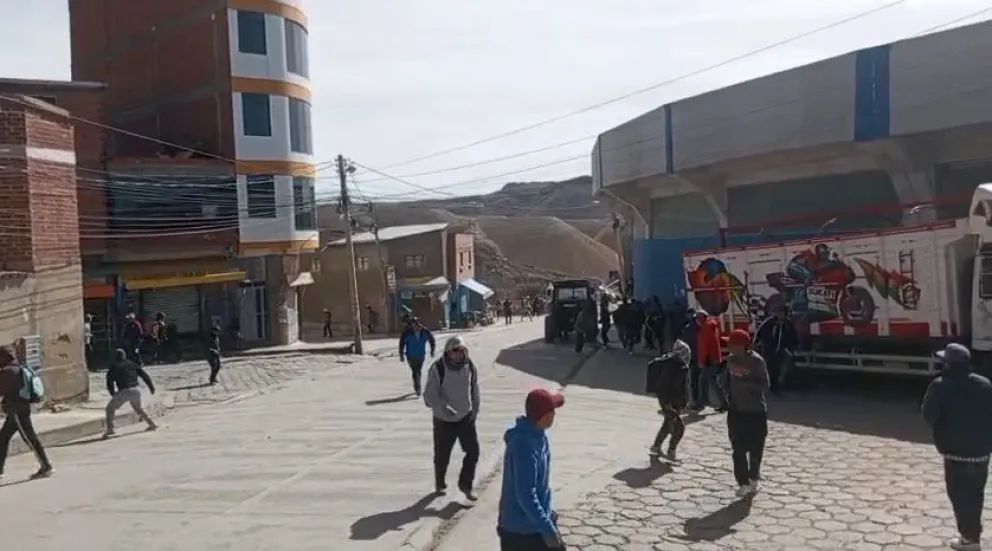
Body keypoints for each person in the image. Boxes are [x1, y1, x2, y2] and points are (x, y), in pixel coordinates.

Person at [921, 343, 992, 551]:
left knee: (960, 497)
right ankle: (973, 534)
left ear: (947, 363)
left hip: (955, 453)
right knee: (976, 495)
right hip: (981, 452)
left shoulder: (939, 385)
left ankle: (969, 540)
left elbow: (929, 415)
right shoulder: (985, 384)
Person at [497, 388, 566, 551]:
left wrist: (548, 510)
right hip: (521, 531)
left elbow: (541, 484)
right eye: (553, 412)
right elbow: (526, 494)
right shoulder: (523, 446)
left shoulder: (540, 436)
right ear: (545, 416)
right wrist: (546, 528)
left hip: (535, 522)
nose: (555, 415)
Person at [423, 335, 481, 500]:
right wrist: (443, 407)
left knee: (473, 452)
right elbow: (430, 395)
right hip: (444, 420)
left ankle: (466, 485)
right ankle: (440, 482)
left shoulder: (470, 366)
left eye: (461, 351)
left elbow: (474, 389)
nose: (458, 354)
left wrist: (475, 410)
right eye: (455, 351)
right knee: (442, 455)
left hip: (465, 417)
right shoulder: (438, 368)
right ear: (448, 352)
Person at [724, 329, 769, 497]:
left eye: (732, 344)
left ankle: (754, 478)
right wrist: (726, 395)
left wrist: (747, 386)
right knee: (738, 449)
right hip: (736, 412)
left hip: (755, 412)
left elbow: (765, 386)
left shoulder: (757, 362)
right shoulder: (730, 361)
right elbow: (727, 381)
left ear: (742, 346)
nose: (729, 347)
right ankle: (742, 482)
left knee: (756, 449)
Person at [0, 344, 52, 480]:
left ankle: (46, 466)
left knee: (29, 438)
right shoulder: (17, 367)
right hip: (18, 409)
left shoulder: (8, 372)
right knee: (3, 437)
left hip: (17, 410)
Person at [649, 338, 692, 461]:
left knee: (667, 425)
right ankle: (671, 451)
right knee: (679, 428)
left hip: (674, 402)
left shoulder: (679, 365)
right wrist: (667, 404)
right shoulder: (674, 367)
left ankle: (656, 446)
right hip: (670, 403)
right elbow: (666, 387)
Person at [103, 348, 158, 438]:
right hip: (136, 389)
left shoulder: (113, 367)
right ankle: (152, 423)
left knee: (109, 409)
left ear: (115, 357)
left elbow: (109, 382)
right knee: (138, 408)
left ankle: (110, 429)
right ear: (124, 356)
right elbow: (144, 375)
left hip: (125, 390)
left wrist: (113, 394)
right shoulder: (132, 364)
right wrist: (151, 387)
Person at [753, 305, 798, 394]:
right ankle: (766, 385)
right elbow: (759, 331)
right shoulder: (769, 322)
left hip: (781, 350)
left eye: (782, 313)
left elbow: (793, 337)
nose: (780, 315)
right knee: (768, 367)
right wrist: (755, 342)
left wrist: (792, 349)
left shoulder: (788, 324)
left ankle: (775, 387)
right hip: (769, 349)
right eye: (779, 313)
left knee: (777, 368)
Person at [692, 310, 724, 411]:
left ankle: (703, 403)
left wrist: (701, 362)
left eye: (697, 319)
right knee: (707, 381)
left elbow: (704, 348)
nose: (696, 321)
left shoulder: (705, 329)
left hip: (708, 360)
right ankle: (703, 403)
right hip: (714, 358)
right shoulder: (712, 325)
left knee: (708, 381)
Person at [399, 318, 436, 396]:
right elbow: (402, 344)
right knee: (415, 371)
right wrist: (401, 354)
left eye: (415, 325)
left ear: (418, 324)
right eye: (412, 325)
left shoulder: (424, 332)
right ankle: (417, 387)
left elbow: (432, 340)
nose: (414, 327)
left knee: (418, 371)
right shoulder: (407, 333)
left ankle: (417, 386)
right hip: (410, 355)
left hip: (420, 355)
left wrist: (432, 350)